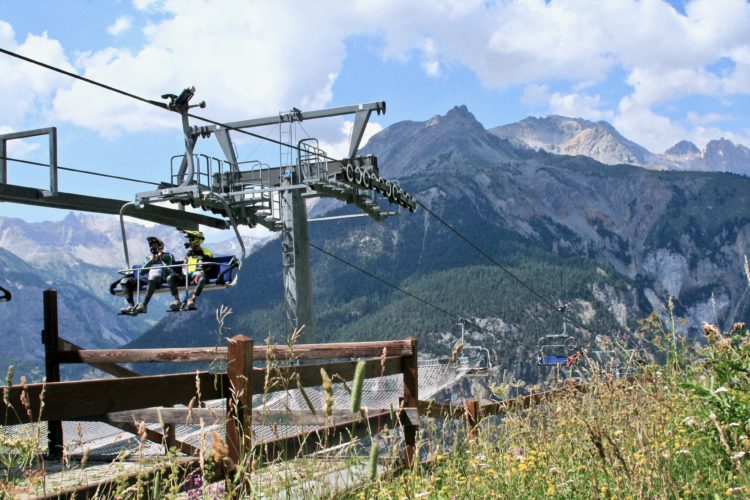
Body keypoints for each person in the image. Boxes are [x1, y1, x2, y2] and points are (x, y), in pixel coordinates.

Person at [120, 236, 175, 315]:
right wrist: (151, 261)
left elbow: (168, 271)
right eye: (152, 245)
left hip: (160, 278)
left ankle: (144, 305)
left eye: (155, 245)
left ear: (160, 246)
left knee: (152, 279)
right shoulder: (149, 257)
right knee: (124, 281)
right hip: (148, 278)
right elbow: (142, 272)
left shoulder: (168, 256)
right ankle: (131, 305)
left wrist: (161, 258)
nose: (153, 247)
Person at [167, 230, 213, 311]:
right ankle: (177, 300)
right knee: (170, 278)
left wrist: (203, 272)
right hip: (186, 275)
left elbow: (209, 265)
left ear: (197, 240)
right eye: (189, 240)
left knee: (202, 279)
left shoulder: (206, 252)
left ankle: (192, 300)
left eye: (191, 239)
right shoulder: (188, 253)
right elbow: (184, 266)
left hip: (198, 274)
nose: (189, 241)